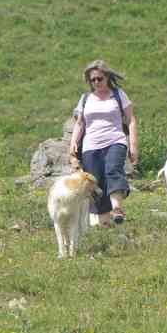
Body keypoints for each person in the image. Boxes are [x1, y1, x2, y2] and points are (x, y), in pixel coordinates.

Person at [68, 60, 138, 226]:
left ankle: (117, 209)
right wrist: (73, 144)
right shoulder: (85, 99)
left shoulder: (119, 95)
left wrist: (133, 145)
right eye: (92, 80)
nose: (96, 82)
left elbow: (131, 120)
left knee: (113, 170)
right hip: (91, 146)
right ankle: (104, 222)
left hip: (115, 140)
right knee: (95, 182)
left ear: (107, 77)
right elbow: (79, 123)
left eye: (99, 78)